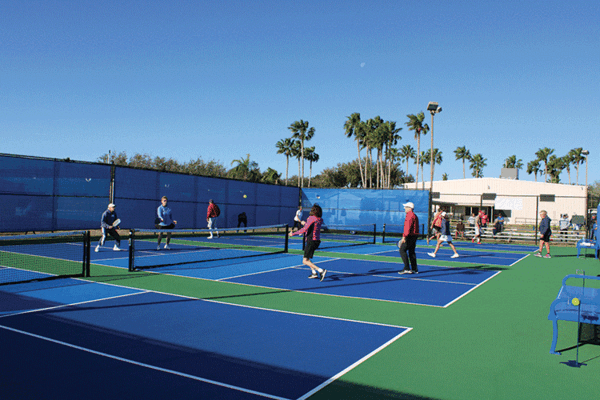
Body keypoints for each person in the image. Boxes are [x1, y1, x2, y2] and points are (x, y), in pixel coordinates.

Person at [289, 204, 327, 281]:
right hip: (316, 241)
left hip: (311, 241)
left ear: (313, 211)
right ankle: (314, 273)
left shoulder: (311, 218)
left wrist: (293, 233)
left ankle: (320, 270)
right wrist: (305, 223)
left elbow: (304, 230)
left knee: (304, 261)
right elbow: (311, 226)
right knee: (308, 258)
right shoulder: (319, 219)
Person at [398, 202, 420, 275]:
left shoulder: (409, 215)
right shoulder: (414, 215)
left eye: (406, 207)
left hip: (410, 236)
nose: (404, 208)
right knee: (411, 252)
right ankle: (414, 269)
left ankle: (407, 268)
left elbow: (407, 227)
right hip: (414, 236)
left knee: (402, 250)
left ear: (409, 208)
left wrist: (404, 237)